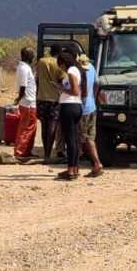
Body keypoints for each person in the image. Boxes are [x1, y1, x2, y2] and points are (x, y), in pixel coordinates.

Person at [54, 50, 85, 180]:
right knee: (74, 140)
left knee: (70, 140)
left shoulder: (71, 71)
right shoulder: (77, 70)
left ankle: (71, 170)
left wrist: (61, 89)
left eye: (60, 66)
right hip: (76, 106)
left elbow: (75, 91)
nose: (61, 69)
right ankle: (75, 169)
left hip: (69, 107)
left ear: (64, 63)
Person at [35, 43, 65, 161]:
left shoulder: (41, 61)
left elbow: (38, 78)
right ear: (59, 53)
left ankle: (45, 152)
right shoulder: (58, 64)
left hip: (41, 97)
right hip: (54, 99)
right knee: (52, 126)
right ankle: (48, 153)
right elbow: (62, 80)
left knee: (44, 126)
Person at [78, 54, 104, 177]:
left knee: (78, 138)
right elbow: (97, 83)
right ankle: (97, 164)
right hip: (92, 107)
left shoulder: (78, 71)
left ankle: (74, 167)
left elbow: (81, 91)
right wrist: (93, 97)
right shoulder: (92, 68)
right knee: (90, 138)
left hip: (82, 109)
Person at [13, 47, 37, 159]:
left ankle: (27, 151)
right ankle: (20, 152)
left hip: (29, 102)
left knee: (31, 127)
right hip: (28, 102)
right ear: (28, 56)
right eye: (32, 54)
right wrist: (19, 98)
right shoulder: (24, 68)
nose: (33, 57)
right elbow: (23, 86)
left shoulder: (25, 67)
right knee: (27, 127)